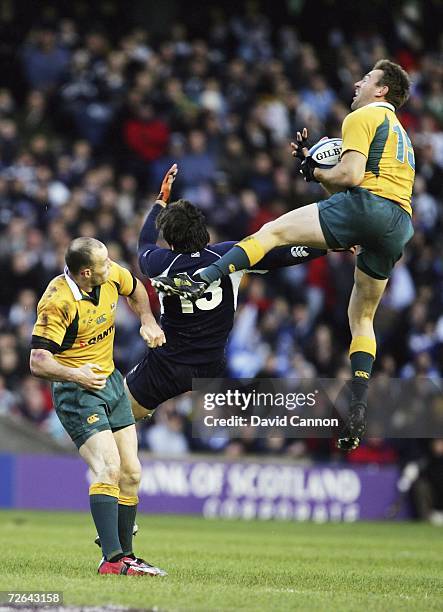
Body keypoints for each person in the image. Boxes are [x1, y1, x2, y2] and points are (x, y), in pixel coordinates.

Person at [152, 59, 415, 451]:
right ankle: (359, 398)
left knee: (271, 232)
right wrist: (317, 171)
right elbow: (363, 186)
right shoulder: (403, 136)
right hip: (398, 223)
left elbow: (350, 177)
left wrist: (316, 169)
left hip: (367, 206)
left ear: (381, 91)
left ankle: (202, 278)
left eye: (368, 79)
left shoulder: (362, 117)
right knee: (362, 317)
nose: (358, 82)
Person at [124, 164, 329, 422]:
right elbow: (285, 255)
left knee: (121, 416)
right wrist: (326, 247)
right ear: (203, 229)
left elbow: (143, 243)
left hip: (168, 366)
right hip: (211, 368)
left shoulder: (160, 263)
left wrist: (161, 200)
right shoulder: (230, 254)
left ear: (172, 242)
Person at [30, 237, 167, 576]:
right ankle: (112, 559)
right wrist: (75, 373)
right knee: (109, 468)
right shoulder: (57, 301)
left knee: (131, 472)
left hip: (110, 382)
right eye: (105, 264)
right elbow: (37, 361)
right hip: (76, 391)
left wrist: (147, 320)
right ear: (86, 272)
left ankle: (127, 556)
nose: (113, 268)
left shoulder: (109, 276)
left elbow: (136, 290)